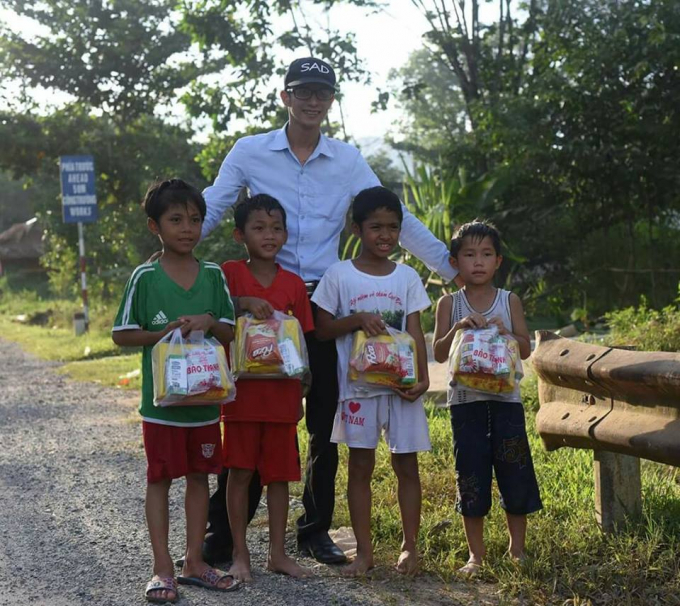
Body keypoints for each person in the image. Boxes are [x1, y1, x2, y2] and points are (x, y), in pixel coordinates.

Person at [200, 56, 460, 565]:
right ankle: (225, 532)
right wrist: (175, 247)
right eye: (303, 91)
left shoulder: (347, 160)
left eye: (322, 92)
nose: (313, 101)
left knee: (325, 419)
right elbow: (212, 207)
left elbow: (393, 216)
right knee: (254, 417)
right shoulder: (249, 151)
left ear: (331, 100)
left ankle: (313, 530)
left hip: (321, 301)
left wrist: (453, 267)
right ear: (285, 97)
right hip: (263, 304)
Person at [112, 179, 240, 603]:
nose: (187, 228)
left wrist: (207, 321)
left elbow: (228, 329)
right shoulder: (145, 278)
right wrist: (161, 334)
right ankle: (161, 568)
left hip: (205, 406)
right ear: (155, 226)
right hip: (162, 408)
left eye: (195, 219)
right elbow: (122, 334)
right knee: (161, 479)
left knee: (201, 478)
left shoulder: (214, 275)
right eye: (176, 219)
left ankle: (195, 562)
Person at [312, 186, 432, 576]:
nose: (385, 235)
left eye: (393, 227)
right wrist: (358, 319)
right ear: (356, 228)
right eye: (376, 226)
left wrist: (423, 379)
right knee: (360, 466)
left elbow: (415, 332)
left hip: (401, 390)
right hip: (357, 391)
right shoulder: (339, 275)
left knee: (407, 467)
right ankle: (364, 554)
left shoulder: (408, 277)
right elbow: (323, 328)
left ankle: (409, 549)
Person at [431, 220, 542, 577]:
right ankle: (475, 556)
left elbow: (525, 350)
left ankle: (517, 551)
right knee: (471, 475)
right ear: (455, 262)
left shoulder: (510, 301)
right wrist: (458, 328)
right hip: (466, 404)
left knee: (515, 471)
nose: (477, 262)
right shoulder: (449, 303)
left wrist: (507, 331)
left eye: (486, 254)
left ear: (498, 261)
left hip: (506, 403)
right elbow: (437, 352)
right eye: (469, 254)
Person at [220, 194, 314, 582]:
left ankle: (278, 554)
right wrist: (242, 301)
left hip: (282, 396)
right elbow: (216, 315)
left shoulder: (293, 285)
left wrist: (302, 394)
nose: (269, 235)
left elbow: (304, 346)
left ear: (286, 234)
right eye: (259, 228)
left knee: (279, 477)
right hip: (241, 397)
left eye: (276, 228)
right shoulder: (228, 274)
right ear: (240, 234)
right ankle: (240, 555)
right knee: (239, 473)